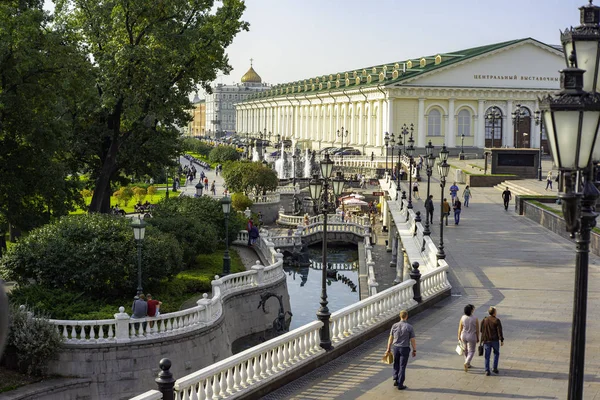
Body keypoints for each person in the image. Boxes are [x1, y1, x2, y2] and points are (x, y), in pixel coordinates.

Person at [385, 310, 416, 390]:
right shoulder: (409, 327)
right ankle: (400, 384)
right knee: (402, 366)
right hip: (404, 348)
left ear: (400, 316)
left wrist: (388, 348)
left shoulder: (394, 326)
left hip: (396, 348)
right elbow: (412, 340)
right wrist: (414, 350)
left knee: (396, 364)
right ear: (406, 316)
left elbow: (390, 338)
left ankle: (396, 379)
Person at [480, 306, 504, 376]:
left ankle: (487, 370)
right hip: (495, 340)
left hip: (486, 340)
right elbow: (500, 331)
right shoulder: (497, 320)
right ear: (494, 313)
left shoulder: (484, 320)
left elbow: (481, 330)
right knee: (496, 353)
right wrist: (501, 340)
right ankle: (494, 368)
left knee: (487, 355)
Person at [458, 304, 479, 372]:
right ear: (471, 310)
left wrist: (458, 336)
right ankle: (467, 362)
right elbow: (477, 329)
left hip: (463, 335)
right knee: (471, 351)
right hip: (472, 336)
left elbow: (460, 328)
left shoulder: (462, 317)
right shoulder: (475, 318)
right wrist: (478, 337)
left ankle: (468, 363)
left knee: (465, 350)